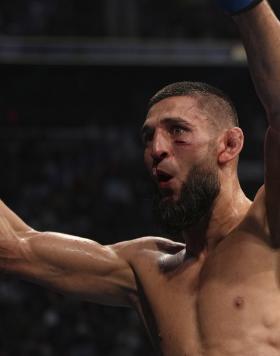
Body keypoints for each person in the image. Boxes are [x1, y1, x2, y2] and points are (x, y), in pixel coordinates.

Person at [0, 0, 280, 355]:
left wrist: (248, 7)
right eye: (148, 137)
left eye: (177, 131)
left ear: (229, 145)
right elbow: (14, 247)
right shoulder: (146, 270)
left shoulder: (270, 227)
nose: (157, 149)